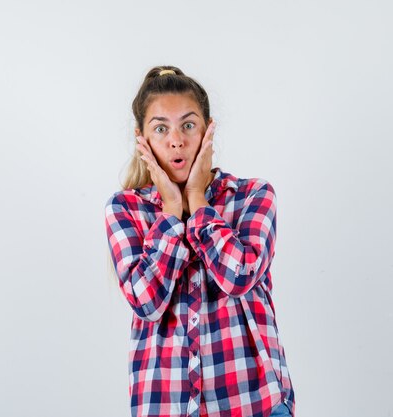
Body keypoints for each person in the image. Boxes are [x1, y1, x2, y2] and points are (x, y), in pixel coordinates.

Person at [104, 66, 295, 417]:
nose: (176, 140)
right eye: (161, 128)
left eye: (188, 125)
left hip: (253, 403)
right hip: (167, 405)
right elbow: (146, 302)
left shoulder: (253, 196)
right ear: (141, 140)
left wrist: (198, 199)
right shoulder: (126, 209)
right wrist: (173, 211)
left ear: (208, 130)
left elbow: (238, 276)